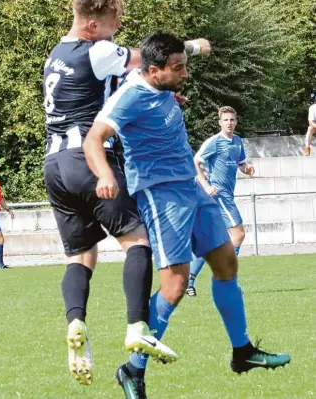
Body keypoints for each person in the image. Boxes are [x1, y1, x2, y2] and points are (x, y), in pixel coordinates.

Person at [83, 32, 291, 399]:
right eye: (177, 68)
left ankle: (242, 352)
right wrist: (103, 174)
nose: (184, 73)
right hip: (161, 194)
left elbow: (162, 77)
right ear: (153, 70)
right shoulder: (129, 97)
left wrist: (183, 67)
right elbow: (93, 138)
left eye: (184, 65)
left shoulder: (157, 84)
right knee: (175, 286)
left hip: (191, 188)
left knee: (227, 261)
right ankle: (133, 370)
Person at [42, 0, 209, 386]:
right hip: (89, 159)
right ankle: (137, 327)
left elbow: (116, 86)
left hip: (54, 165)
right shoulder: (96, 49)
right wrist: (194, 47)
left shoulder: (56, 54)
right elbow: (144, 59)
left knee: (81, 258)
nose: (118, 31)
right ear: (94, 23)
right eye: (115, 23)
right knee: (137, 243)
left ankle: (76, 321)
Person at [186, 106, 255, 297]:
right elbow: (195, 162)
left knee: (210, 240)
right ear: (220, 122)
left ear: (236, 121)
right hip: (219, 195)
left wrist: (247, 168)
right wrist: (207, 186)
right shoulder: (214, 142)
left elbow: (241, 163)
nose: (229, 123)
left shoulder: (238, 142)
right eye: (226, 120)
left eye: (232, 120)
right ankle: (227, 282)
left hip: (227, 195)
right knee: (238, 234)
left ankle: (188, 280)